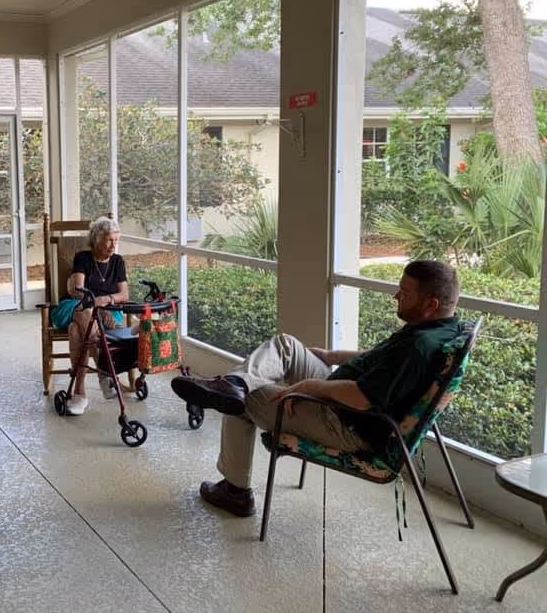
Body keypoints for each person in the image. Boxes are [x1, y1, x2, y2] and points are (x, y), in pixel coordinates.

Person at [171, 260, 463, 516]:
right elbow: (379, 358)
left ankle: (235, 491)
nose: (396, 295)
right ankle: (234, 383)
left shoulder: (419, 347)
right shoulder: (440, 329)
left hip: (345, 421)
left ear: (430, 305)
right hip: (341, 396)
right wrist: (332, 356)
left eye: (405, 293)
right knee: (286, 345)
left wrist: (313, 386)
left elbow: (362, 399)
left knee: (243, 398)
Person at [64, 216, 131, 416]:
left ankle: (79, 391)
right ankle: (105, 373)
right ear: (96, 239)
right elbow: (78, 291)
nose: (113, 245)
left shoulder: (118, 261)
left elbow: (124, 295)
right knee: (85, 313)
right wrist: (97, 306)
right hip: (77, 307)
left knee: (76, 332)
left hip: (107, 313)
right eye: (109, 240)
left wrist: (105, 301)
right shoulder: (83, 258)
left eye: (116, 240)